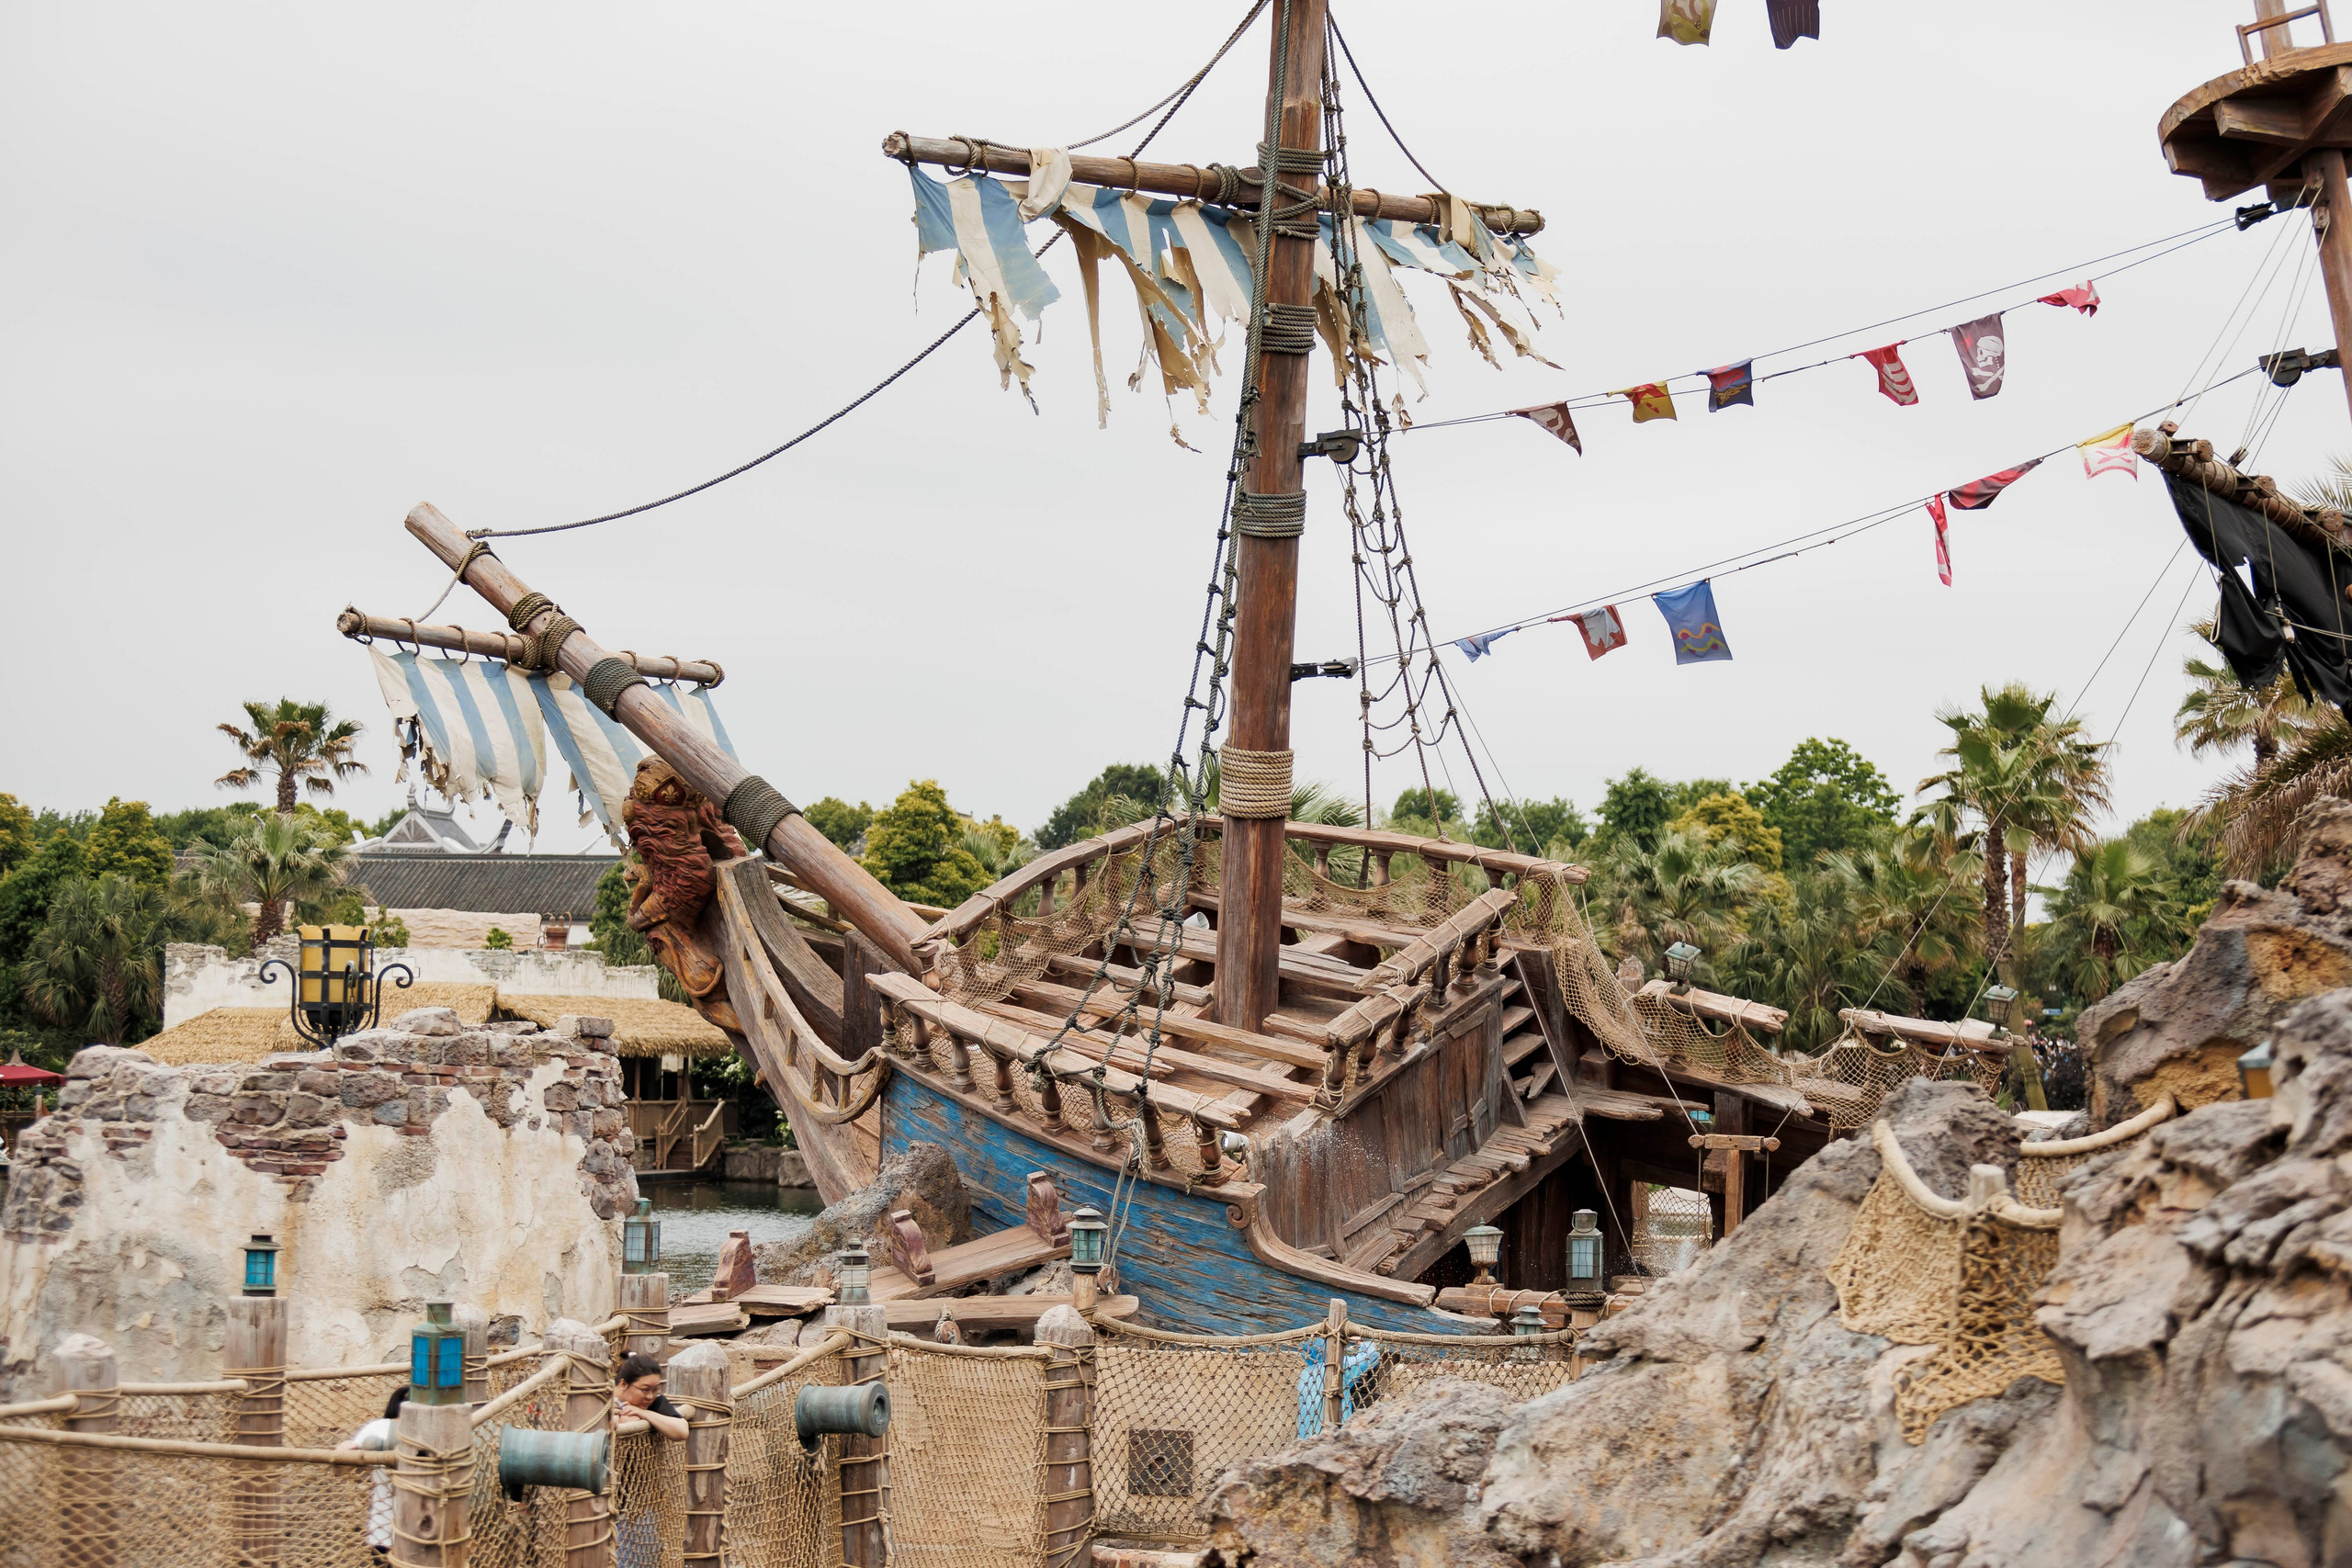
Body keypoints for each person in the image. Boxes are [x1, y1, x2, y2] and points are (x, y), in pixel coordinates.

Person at [611, 1354, 686, 1567]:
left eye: (655, 1389)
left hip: (638, 1503)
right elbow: (612, 1425)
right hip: (602, 1500)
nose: (650, 1396)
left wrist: (643, 1414)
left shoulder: (653, 1404)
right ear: (623, 1384)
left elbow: (681, 1430)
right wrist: (619, 1415)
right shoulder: (601, 1398)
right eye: (644, 1390)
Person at [337, 1386, 407, 1563]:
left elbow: (341, 1468)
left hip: (384, 1526)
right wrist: (344, 1449)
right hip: (401, 1526)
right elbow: (343, 1464)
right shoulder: (380, 1428)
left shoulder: (378, 1427)